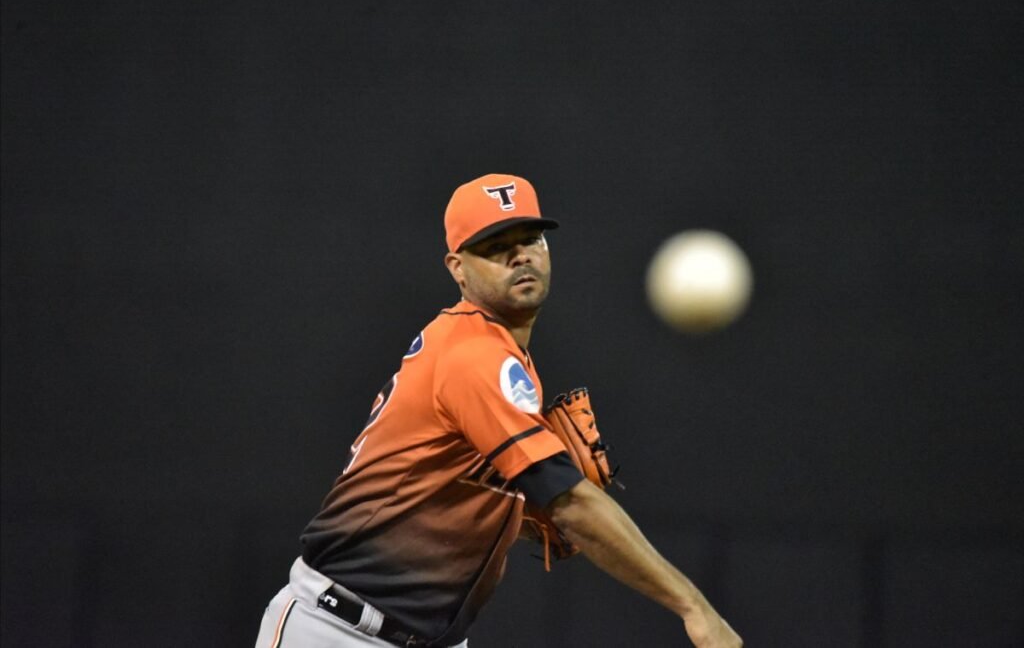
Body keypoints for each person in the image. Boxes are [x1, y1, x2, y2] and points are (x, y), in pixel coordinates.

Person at [255, 174, 742, 648]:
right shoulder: (473, 354)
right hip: (338, 631)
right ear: (457, 268)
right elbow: (569, 504)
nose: (520, 255)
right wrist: (693, 607)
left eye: (530, 238)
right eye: (494, 246)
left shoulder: (500, 352)